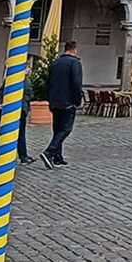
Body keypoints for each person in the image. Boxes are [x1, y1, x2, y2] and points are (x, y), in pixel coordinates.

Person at [40, 39, 85, 168]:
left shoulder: (55, 62)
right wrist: (77, 100)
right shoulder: (74, 63)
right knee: (66, 128)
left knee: (57, 129)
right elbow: (76, 83)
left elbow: (48, 82)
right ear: (74, 50)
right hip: (68, 101)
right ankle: (49, 151)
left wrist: (49, 98)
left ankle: (57, 157)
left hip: (54, 101)